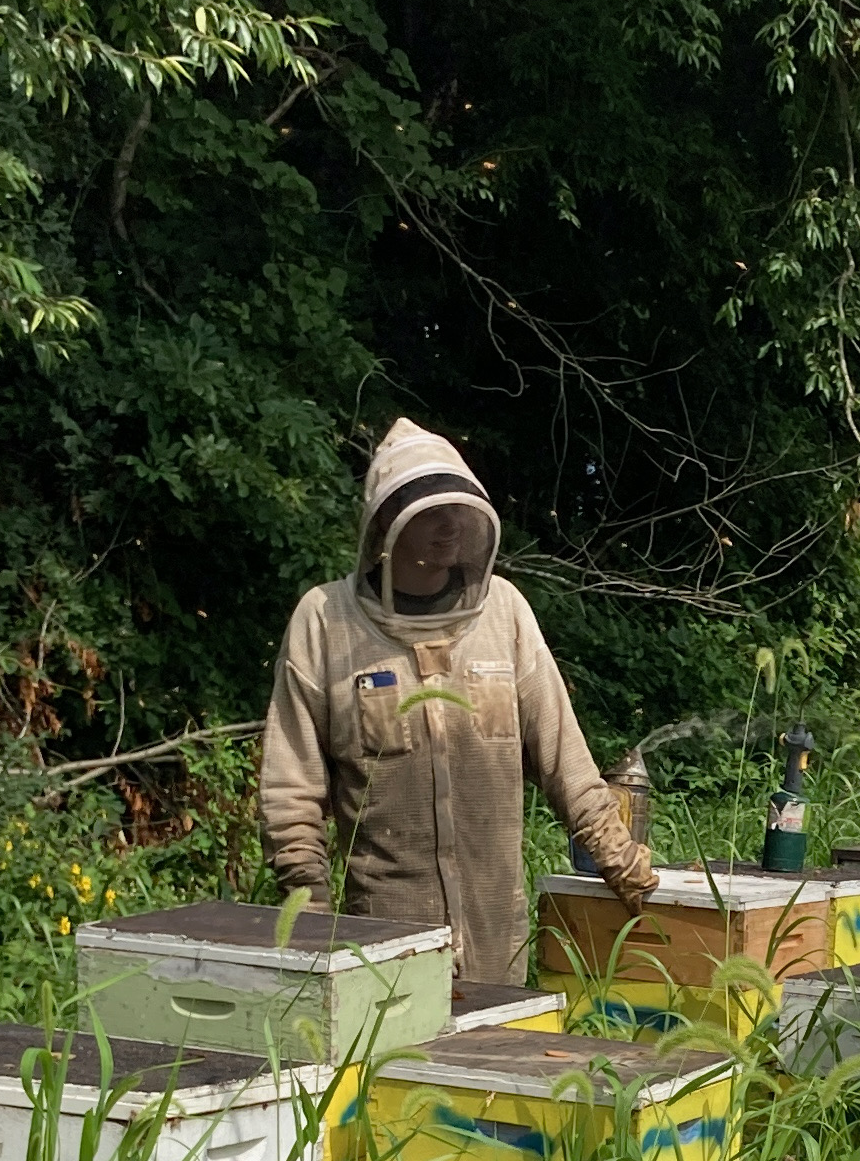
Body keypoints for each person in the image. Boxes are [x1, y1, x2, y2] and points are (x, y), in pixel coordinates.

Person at [257, 420, 652, 985]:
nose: (448, 527)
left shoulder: (506, 612)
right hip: (382, 946)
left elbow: (564, 757)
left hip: (498, 942)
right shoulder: (325, 622)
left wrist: (621, 858)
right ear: (388, 525)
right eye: (428, 512)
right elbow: (289, 789)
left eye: (455, 511)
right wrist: (310, 910)